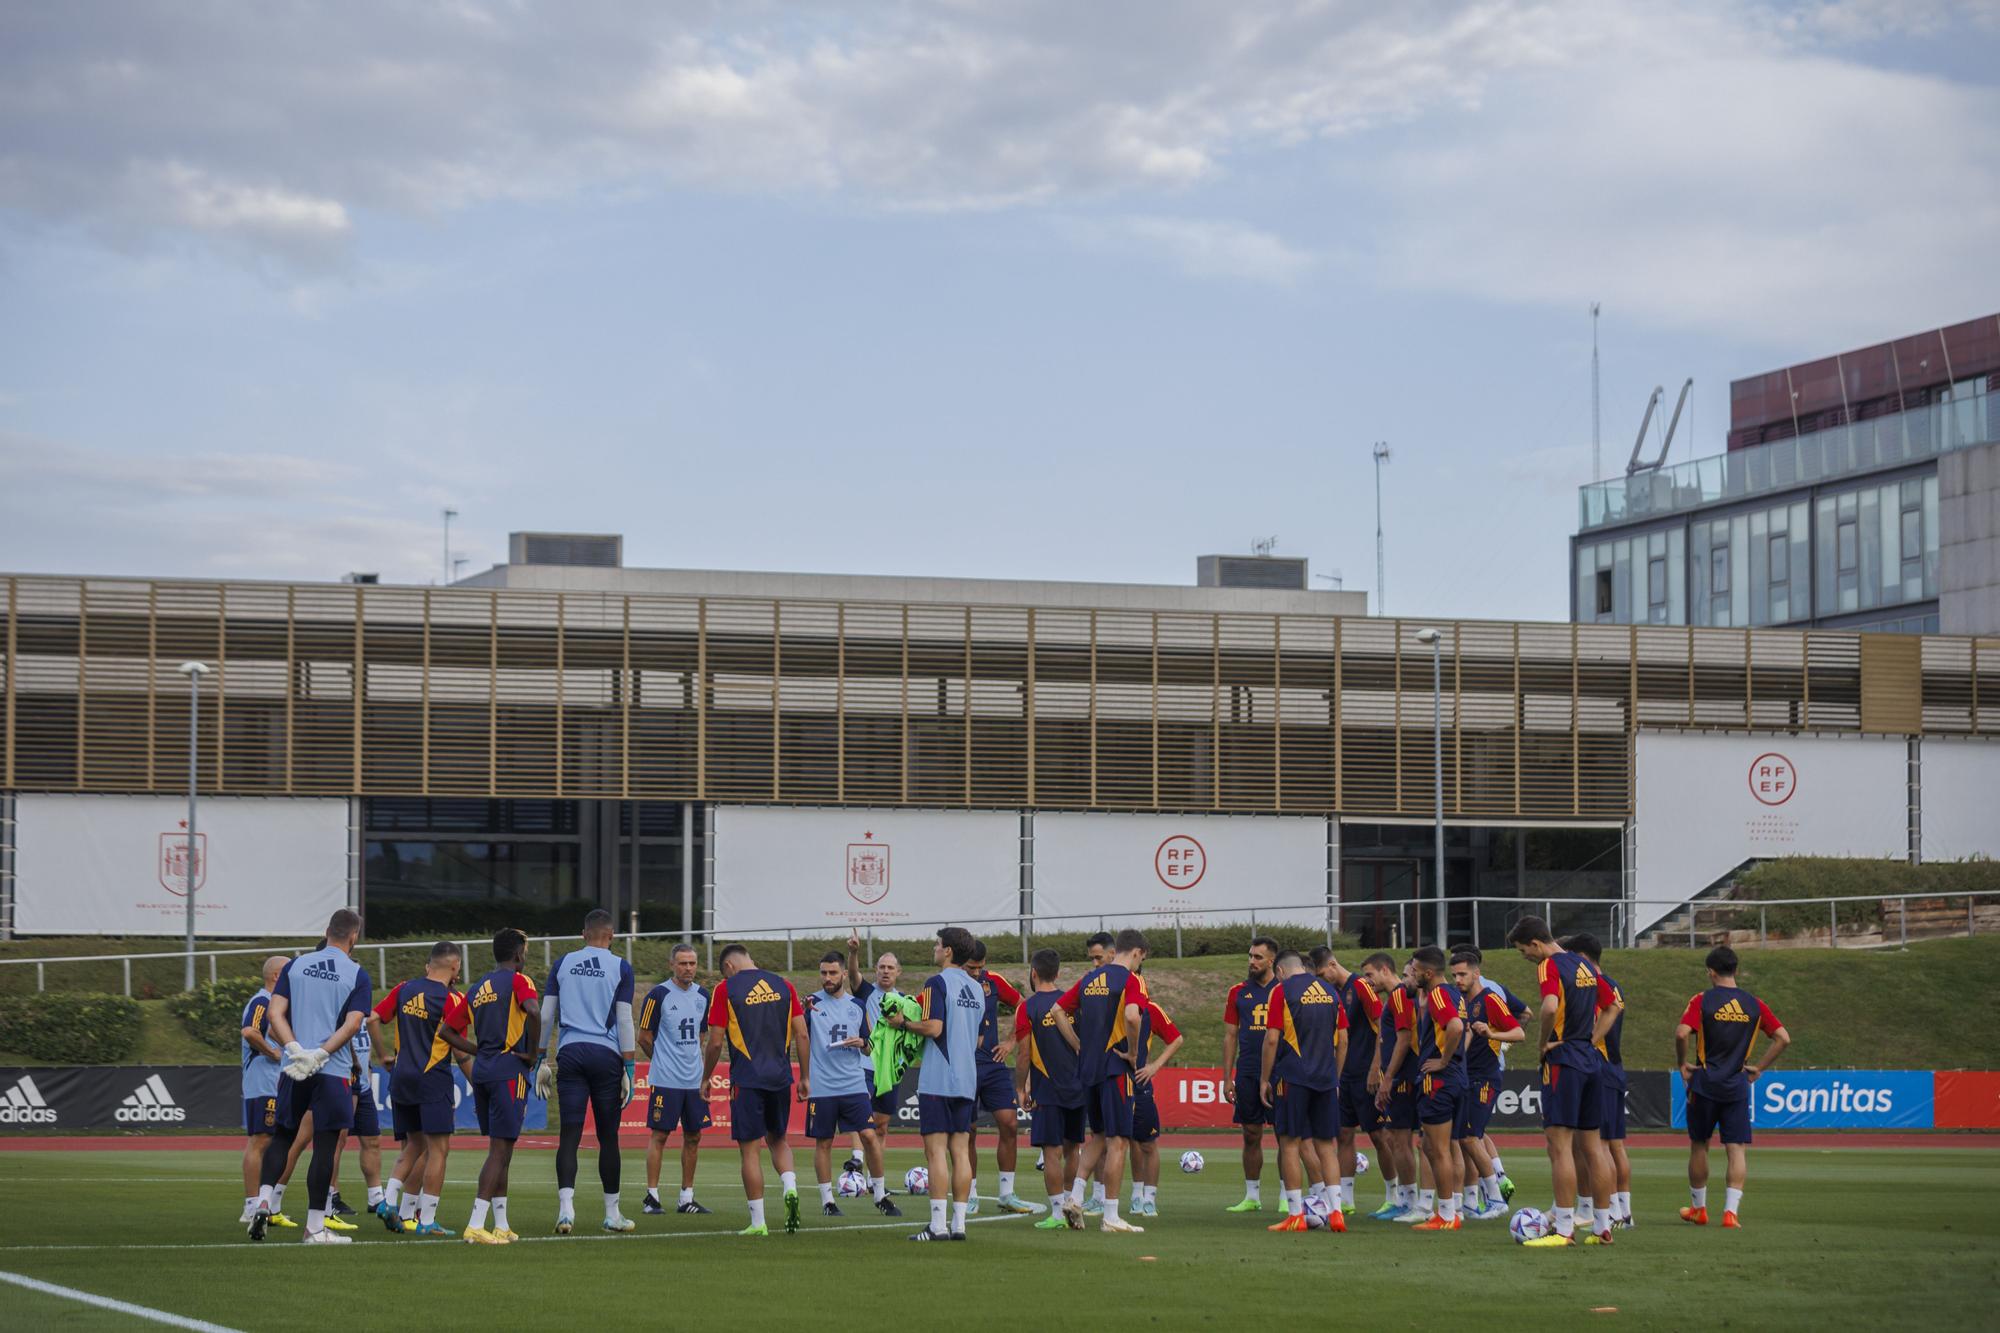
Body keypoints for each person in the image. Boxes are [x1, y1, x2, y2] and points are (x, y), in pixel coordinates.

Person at [250, 909, 372, 1244]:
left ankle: (263, 1199)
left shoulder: (296, 965)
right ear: (354, 936)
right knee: (325, 1147)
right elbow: (352, 1025)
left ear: (326, 930)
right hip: (330, 1070)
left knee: (283, 1137)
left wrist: (295, 1049)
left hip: (295, 1068)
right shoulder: (357, 973)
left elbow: (274, 1013)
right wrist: (320, 1054)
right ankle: (315, 1227)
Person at [1507, 915, 1619, 1247]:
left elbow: (1548, 1008)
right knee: (1593, 1148)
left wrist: (1543, 1044)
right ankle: (1602, 1227)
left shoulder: (1550, 965)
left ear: (1535, 944)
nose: (1524, 957)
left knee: (1559, 1148)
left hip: (1563, 1062)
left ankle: (1564, 1229)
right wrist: (1590, 1039)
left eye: (1522, 950)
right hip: (1590, 1060)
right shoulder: (1583, 965)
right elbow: (1612, 1006)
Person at [1676, 945, 1790, 1230]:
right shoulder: (1755, 1004)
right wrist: (1759, 1068)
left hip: (1704, 1083)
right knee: (1735, 1148)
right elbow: (1783, 1038)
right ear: (1736, 970)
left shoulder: (1702, 1000)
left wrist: (1682, 1063)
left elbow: (1681, 1033)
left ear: (1710, 972)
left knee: (1699, 1144)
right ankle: (1730, 1213)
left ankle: (1699, 1209)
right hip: (1736, 1085)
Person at [540, 909, 639, 1235]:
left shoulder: (563, 963)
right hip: (606, 1055)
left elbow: (546, 1015)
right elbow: (624, 1018)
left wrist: (541, 1058)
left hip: (570, 1052)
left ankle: (565, 1210)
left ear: (584, 934)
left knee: (569, 1135)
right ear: (611, 936)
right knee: (608, 1138)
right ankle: (612, 1214)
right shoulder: (620, 967)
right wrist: (629, 1065)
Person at [701, 943, 809, 1236]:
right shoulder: (784, 985)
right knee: (779, 1140)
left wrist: (706, 1076)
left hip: (747, 1079)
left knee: (750, 1150)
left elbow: (715, 1042)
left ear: (729, 967)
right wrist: (805, 1078)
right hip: (781, 1077)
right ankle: (790, 1186)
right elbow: (801, 1032)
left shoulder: (726, 989)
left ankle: (758, 1222)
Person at [884, 927, 982, 1241]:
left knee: (936, 1152)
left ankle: (938, 1226)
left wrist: (904, 1023)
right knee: (961, 1152)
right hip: (967, 1078)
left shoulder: (936, 983)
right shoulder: (977, 988)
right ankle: (960, 1225)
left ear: (949, 951)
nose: (935, 948)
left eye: (938, 944)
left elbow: (935, 1028)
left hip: (940, 1078)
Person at [372, 942, 476, 1238]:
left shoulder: (404, 988)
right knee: (439, 1150)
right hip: (432, 1078)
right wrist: (479, 1087)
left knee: (413, 1145)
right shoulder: (454, 1000)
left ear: (428, 965)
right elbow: (460, 1053)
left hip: (401, 1077)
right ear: (455, 967)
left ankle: (389, 1201)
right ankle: (427, 1219)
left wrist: (382, 1056)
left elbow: (371, 1019)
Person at [1056, 927, 1150, 1235]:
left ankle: (1075, 1197)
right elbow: (1134, 1017)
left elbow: (1057, 1011)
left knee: (1097, 1135)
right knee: (1118, 1141)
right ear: (1136, 953)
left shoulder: (1089, 979)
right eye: (1140, 959)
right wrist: (1134, 1053)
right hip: (1114, 1068)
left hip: (1089, 1068)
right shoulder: (1131, 980)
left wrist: (1077, 1044)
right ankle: (1111, 1216)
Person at [462, 927, 541, 1244]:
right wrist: (533, 1054)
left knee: (503, 1148)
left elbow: (448, 1032)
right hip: (509, 1071)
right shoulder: (520, 981)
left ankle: (501, 1223)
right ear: (518, 954)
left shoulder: (478, 986)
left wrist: (478, 1051)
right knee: (499, 1150)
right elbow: (534, 1012)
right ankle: (475, 1223)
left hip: (483, 1071)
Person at [1258, 950, 1345, 1233]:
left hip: (1294, 1077)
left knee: (1290, 1143)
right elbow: (1343, 1039)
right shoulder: (1331, 992)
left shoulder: (1281, 992)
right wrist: (1336, 1076)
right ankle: (1336, 1212)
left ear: (1281, 971)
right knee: (1326, 1146)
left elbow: (1272, 1040)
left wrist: (1264, 1079)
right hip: (1326, 1078)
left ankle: (1295, 1214)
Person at [636, 943, 713, 1217]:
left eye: (692, 963)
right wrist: (663, 1058)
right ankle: (652, 1197)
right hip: (666, 1079)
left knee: (694, 1136)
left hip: (693, 1081)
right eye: (683, 963)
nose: (688, 968)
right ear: (672, 965)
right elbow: (644, 1036)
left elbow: (702, 1036)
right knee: (660, 1135)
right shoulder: (658, 995)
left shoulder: (703, 995)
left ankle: (686, 1198)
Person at [1013, 948, 1085, 1231]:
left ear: (1033, 972)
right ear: (1057, 973)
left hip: (1047, 1088)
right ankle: (1071, 1203)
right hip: (1077, 1086)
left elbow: (1023, 1054)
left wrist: (1021, 1087)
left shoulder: (1027, 1008)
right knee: (1073, 1148)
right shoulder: (1073, 1002)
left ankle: (1057, 1214)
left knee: (1051, 1151)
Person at [1319, 948, 1394, 1218]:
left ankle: (1393, 1196)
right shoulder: (1332, 993)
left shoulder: (1361, 986)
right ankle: (1346, 1199)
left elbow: (1382, 1025)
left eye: (1321, 973)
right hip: (1344, 1075)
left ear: (1332, 965)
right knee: (1343, 1134)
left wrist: (1376, 1066)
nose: (1321, 979)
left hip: (1367, 1073)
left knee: (1378, 1135)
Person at [1448, 948, 1522, 1221]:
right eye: (1454, 974)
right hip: (1467, 1076)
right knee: (1463, 1138)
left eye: (1463, 974)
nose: (1457, 979)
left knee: (1470, 1137)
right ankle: (1470, 1200)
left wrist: (1492, 1033)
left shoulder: (1489, 999)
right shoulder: (1463, 1001)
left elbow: (1519, 1032)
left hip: (1485, 1077)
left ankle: (1496, 1198)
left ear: (1477, 973)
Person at [803, 950, 879, 1216]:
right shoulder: (810, 1003)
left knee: (870, 1136)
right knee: (823, 1142)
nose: (827, 977)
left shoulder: (857, 1005)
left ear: (844, 974)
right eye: (823, 973)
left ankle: (880, 1195)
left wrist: (862, 1043)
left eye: (833, 973)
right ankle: (827, 1201)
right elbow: (797, 1037)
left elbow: (870, 1047)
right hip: (823, 1087)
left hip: (854, 1084)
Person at [1563, 933, 1630, 1229]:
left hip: (1597, 1067)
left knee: (1592, 1145)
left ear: (1582, 958)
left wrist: (1585, 1044)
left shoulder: (1591, 986)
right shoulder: (1614, 985)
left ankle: (1600, 1210)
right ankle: (1622, 1212)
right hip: (1613, 1067)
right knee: (1613, 1144)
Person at [965, 939, 1034, 1214]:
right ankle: (968, 1193)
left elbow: (1023, 1006)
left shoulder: (992, 981)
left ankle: (1006, 1193)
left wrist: (1010, 1041)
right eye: (971, 967)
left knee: (1009, 1123)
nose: (976, 972)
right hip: (964, 1066)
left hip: (992, 1064)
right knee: (966, 1132)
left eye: (980, 967)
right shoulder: (951, 983)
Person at [1405, 946, 1468, 1232]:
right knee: (1432, 1146)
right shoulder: (1454, 994)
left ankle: (1446, 1214)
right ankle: (1449, 1209)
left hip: (1439, 1080)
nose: (1413, 973)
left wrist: (1443, 1060)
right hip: (1454, 1079)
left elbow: (1455, 1027)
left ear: (1428, 973)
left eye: (1415, 969)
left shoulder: (1439, 995)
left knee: (1439, 1150)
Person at [1221, 936, 1280, 1213]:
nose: (1252, 961)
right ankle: (1252, 1196)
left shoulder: (1284, 989)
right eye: (1250, 956)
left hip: (1282, 1072)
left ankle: (1286, 1195)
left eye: (1258, 957)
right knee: (1251, 1134)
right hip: (1247, 1072)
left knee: (1287, 1136)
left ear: (1272, 961)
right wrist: (1226, 1077)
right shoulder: (1238, 992)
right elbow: (1230, 1035)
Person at [847, 932, 904, 1212]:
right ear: (876, 971)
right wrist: (854, 952)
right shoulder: (868, 992)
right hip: (865, 1067)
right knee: (863, 1121)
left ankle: (873, 1180)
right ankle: (856, 1158)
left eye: (890, 967)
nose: (885, 971)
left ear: (898, 972)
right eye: (881, 967)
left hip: (888, 1071)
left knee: (881, 1127)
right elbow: (853, 975)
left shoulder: (905, 1001)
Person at [1365, 954, 1421, 1220]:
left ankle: (1410, 1202)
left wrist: (1389, 1077)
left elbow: (1404, 1038)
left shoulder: (1398, 995)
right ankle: (1406, 1199)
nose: (1368, 981)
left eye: (1370, 975)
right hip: (1400, 1077)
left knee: (1400, 1140)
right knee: (1393, 1138)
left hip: (1402, 1078)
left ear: (1384, 970)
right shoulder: (1397, 996)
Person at [1128, 985, 1184, 1219]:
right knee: (1126, 1142)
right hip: (1114, 1083)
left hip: (1140, 1085)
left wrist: (1155, 1066)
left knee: (1147, 1143)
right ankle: (1135, 1195)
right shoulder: (1109, 1006)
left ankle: (1149, 1199)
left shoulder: (1150, 1010)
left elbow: (1176, 1038)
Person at [238, 956, 287, 1225]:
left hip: (273, 1083)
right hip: (262, 1082)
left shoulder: (276, 1005)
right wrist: (273, 1053)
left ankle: (263, 1205)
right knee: (261, 1140)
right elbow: (250, 1031)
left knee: (273, 1141)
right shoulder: (262, 1001)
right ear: (277, 976)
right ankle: (251, 1205)